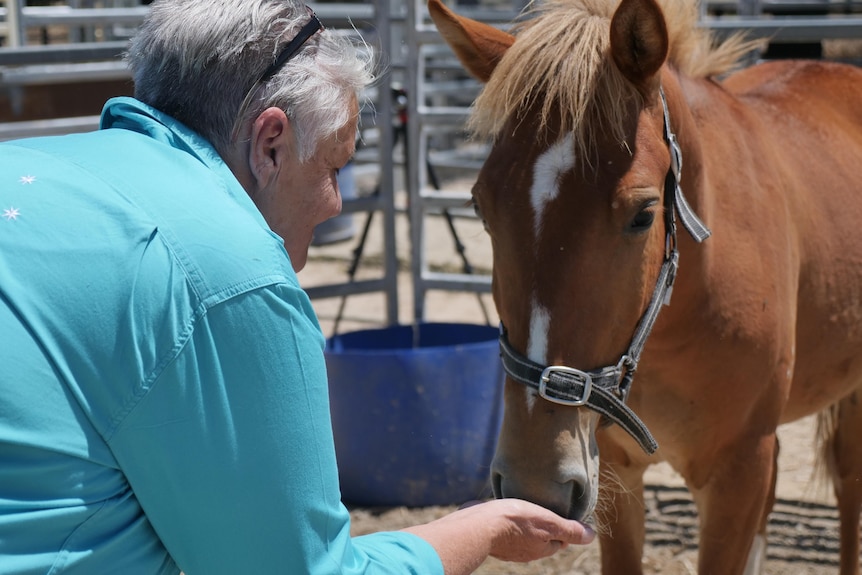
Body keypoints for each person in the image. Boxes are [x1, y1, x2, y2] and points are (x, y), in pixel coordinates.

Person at [0, 0, 595, 573]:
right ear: (270, 144)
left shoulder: (27, 163)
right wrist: (483, 528)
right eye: (333, 168)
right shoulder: (231, 272)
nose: (337, 204)